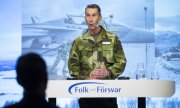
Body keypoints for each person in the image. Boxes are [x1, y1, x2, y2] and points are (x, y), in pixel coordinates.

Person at [68, 4, 127, 108]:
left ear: (100, 18)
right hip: (86, 96)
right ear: (84, 18)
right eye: (88, 15)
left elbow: (121, 61)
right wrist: (85, 78)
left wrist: (108, 72)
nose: (90, 19)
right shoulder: (78, 41)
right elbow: (72, 66)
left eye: (94, 15)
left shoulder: (113, 39)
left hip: (108, 96)